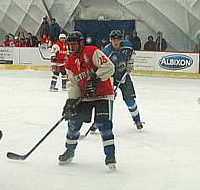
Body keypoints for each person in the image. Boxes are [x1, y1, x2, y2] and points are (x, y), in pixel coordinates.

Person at [59, 31, 117, 170]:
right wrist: (71, 102)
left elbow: (109, 67)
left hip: (103, 94)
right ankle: (70, 151)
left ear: (80, 43)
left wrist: (96, 78)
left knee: (104, 125)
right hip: (85, 96)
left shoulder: (93, 52)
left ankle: (110, 155)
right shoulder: (70, 62)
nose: (71, 47)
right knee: (73, 123)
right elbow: (73, 83)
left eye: (74, 44)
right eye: (69, 45)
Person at [102, 30, 143, 130]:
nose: (116, 42)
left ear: (121, 40)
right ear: (110, 40)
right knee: (107, 101)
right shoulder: (106, 52)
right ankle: (100, 121)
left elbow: (131, 55)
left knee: (130, 100)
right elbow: (102, 67)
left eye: (118, 39)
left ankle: (137, 120)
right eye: (113, 39)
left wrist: (130, 63)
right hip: (110, 77)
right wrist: (109, 86)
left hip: (123, 76)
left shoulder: (127, 46)